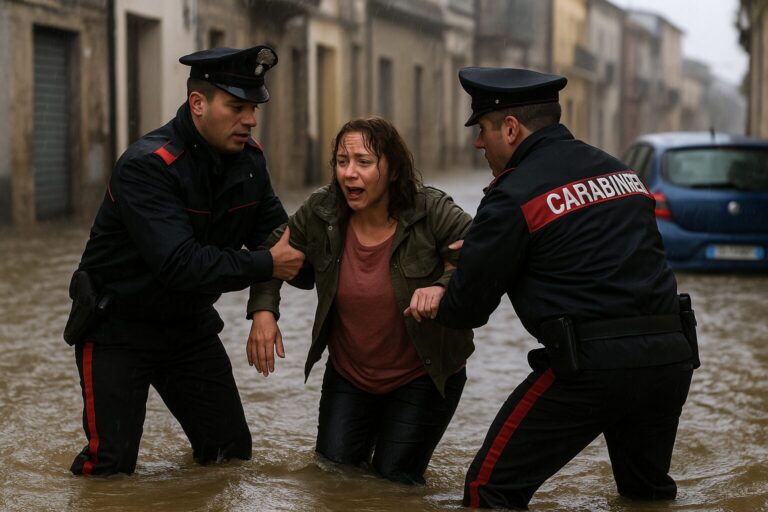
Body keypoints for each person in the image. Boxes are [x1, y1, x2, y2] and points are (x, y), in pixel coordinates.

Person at [425, 67, 698, 508]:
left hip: (591, 367)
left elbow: (467, 308)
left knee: (488, 490)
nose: (478, 142)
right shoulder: (621, 172)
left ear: (511, 129)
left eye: (484, 130)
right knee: (645, 494)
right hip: (670, 358)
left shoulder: (513, 193)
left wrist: (452, 274)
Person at [63, 45, 305, 476]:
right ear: (198, 104)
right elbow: (182, 264)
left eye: (253, 108)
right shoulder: (147, 166)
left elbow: (281, 242)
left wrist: (364, 243)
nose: (249, 119)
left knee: (229, 455)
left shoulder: (249, 161)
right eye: (236, 107)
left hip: (187, 329)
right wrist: (267, 266)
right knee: (111, 468)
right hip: (118, 328)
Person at [246, 117, 475, 484]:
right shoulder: (322, 210)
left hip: (423, 374)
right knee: (333, 477)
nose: (349, 173)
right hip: (350, 375)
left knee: (393, 482)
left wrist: (443, 285)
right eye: (341, 161)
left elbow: (483, 251)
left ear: (394, 169)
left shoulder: (430, 210)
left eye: (364, 163)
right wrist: (263, 311)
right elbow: (272, 251)